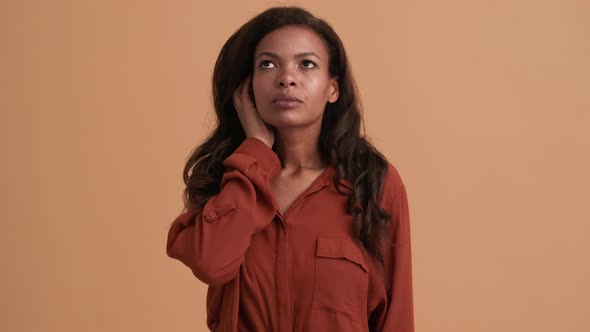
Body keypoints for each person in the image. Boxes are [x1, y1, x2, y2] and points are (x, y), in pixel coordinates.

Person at [166, 5, 414, 332]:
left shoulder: (372, 183)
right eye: (268, 64)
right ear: (248, 87)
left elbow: (396, 315)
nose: (286, 79)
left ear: (333, 88)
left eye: (306, 64)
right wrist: (255, 149)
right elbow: (211, 264)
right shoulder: (225, 180)